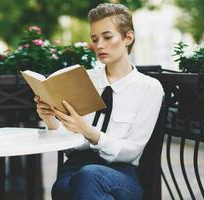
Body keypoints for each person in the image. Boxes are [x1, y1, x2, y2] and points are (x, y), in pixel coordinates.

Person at [34, 3, 164, 200]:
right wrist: (51, 119)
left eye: (107, 37)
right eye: (95, 39)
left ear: (128, 37)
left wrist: (88, 131)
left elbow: (131, 151)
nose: (99, 45)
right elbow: (72, 144)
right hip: (76, 168)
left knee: (90, 177)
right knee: (72, 184)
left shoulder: (149, 88)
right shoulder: (84, 79)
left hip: (122, 175)